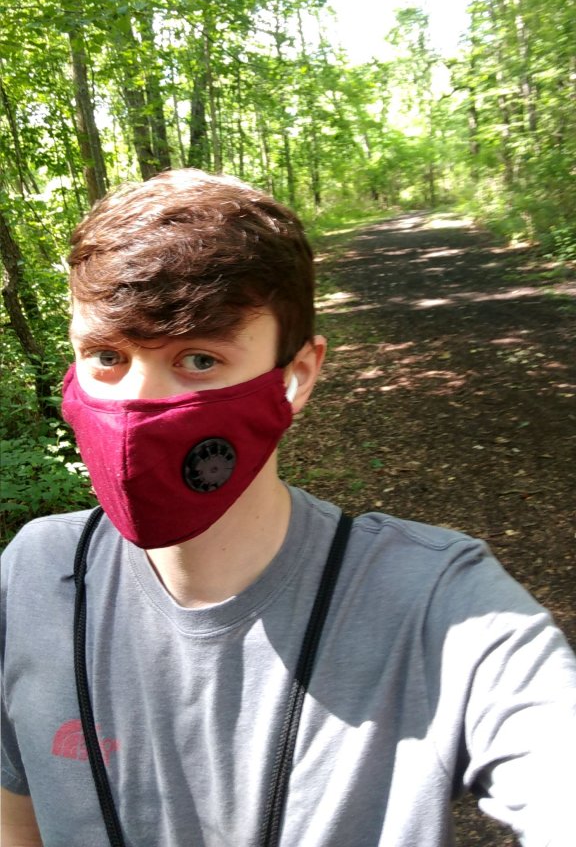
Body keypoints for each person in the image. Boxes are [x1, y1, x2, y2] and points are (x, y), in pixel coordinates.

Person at [1, 168, 575, 847]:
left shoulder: (439, 607)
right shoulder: (34, 578)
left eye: (199, 360)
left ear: (296, 376)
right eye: (105, 355)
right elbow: (17, 820)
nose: (136, 404)